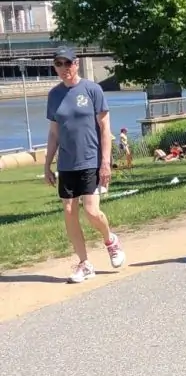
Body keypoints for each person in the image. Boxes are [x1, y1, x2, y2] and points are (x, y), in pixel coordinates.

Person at [43, 47, 126, 283]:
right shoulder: (54, 95)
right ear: (55, 67)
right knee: (69, 212)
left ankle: (110, 240)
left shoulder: (92, 90)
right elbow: (53, 133)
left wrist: (106, 163)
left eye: (68, 63)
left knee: (91, 211)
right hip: (66, 163)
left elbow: (104, 127)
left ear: (76, 64)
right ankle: (84, 263)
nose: (64, 69)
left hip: (90, 159)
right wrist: (47, 165)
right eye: (59, 64)